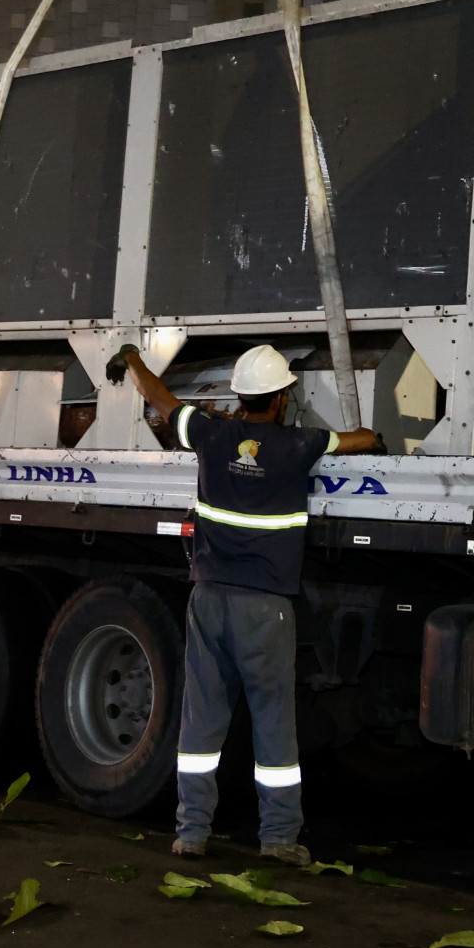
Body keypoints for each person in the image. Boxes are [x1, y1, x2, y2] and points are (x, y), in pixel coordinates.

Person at [110, 341, 378, 865]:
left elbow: (159, 399)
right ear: (279, 399)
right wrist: (375, 435)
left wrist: (133, 359)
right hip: (265, 609)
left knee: (202, 721)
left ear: (239, 398)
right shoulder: (300, 444)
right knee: (272, 721)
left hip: (208, 600)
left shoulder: (209, 434)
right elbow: (361, 439)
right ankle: (277, 839)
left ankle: (192, 832)